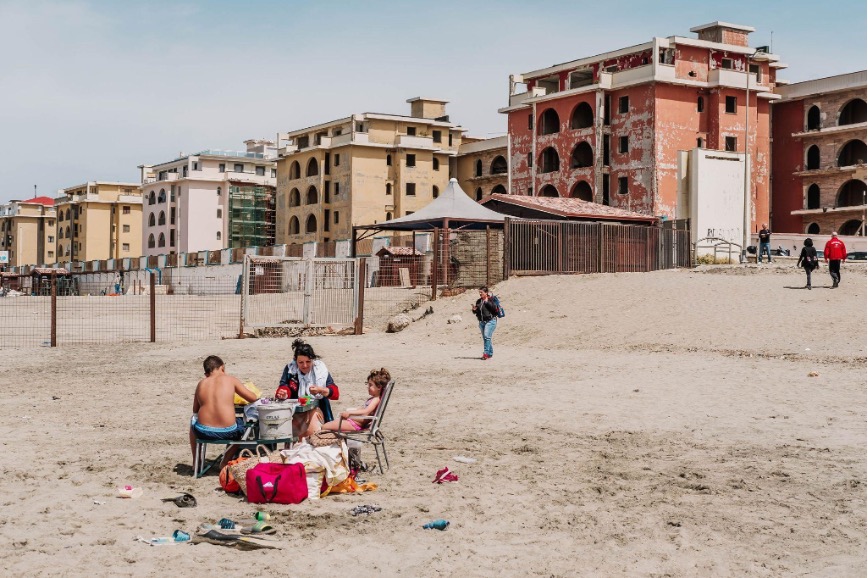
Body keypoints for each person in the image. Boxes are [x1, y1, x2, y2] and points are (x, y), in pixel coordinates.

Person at [189, 355, 259, 469]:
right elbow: (253, 398)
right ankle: (225, 461)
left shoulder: (201, 383)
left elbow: (195, 410)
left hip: (203, 432)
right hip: (229, 432)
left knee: (193, 421)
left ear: (207, 372)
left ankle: (196, 461)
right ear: (222, 367)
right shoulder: (231, 380)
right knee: (242, 426)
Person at [275, 339, 340, 440]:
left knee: (312, 426)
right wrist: (283, 393)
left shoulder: (320, 371)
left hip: (316, 409)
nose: (305, 366)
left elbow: (335, 392)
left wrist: (321, 390)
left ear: (313, 360)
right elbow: (284, 386)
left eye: (308, 362)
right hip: (294, 411)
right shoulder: (290, 370)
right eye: (301, 362)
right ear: (296, 361)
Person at [321, 368, 390, 432]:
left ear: (379, 387)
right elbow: (362, 409)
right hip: (353, 422)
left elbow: (366, 412)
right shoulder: (373, 399)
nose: (368, 387)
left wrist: (350, 413)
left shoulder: (376, 400)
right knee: (331, 424)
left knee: (325, 427)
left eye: (370, 385)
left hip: (355, 425)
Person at [471, 286, 499, 360]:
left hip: (491, 321)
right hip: (482, 322)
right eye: (479, 292)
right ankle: (490, 353)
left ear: (486, 293)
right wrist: (474, 310)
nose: (480, 294)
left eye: (481, 292)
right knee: (486, 338)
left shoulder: (491, 300)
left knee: (487, 337)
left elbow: (494, 310)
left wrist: (486, 302)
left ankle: (485, 354)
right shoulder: (478, 301)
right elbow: (477, 312)